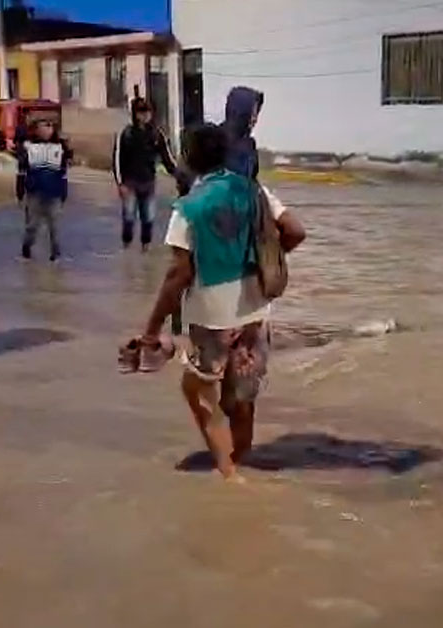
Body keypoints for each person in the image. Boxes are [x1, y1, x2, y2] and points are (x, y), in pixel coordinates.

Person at [138, 123, 306, 481]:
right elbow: (295, 230)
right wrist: (269, 262)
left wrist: (151, 329)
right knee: (242, 396)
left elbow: (178, 275)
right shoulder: (253, 190)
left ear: (189, 159)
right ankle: (242, 458)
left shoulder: (189, 206)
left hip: (212, 316)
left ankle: (229, 473)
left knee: (198, 390)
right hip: (256, 310)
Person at [111, 97, 177, 250]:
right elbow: (117, 160)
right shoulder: (126, 134)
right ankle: (126, 246)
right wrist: (120, 184)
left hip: (148, 182)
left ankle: (145, 248)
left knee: (148, 217)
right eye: (141, 112)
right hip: (130, 183)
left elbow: (167, 158)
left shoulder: (156, 134)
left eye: (147, 112)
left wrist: (178, 175)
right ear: (135, 114)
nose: (145, 115)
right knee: (129, 217)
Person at [15, 118, 71, 261]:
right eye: (43, 127)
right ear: (36, 130)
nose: (47, 130)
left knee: (55, 226)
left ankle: (55, 255)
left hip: (54, 193)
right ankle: (27, 247)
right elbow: (21, 171)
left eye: (49, 126)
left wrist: (64, 191)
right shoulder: (28, 148)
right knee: (32, 226)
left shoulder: (59, 148)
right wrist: (20, 192)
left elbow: (63, 172)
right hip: (35, 193)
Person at [222, 86, 264, 180]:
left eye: (256, 113)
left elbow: (251, 180)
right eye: (252, 113)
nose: (255, 119)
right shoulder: (214, 141)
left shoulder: (249, 145)